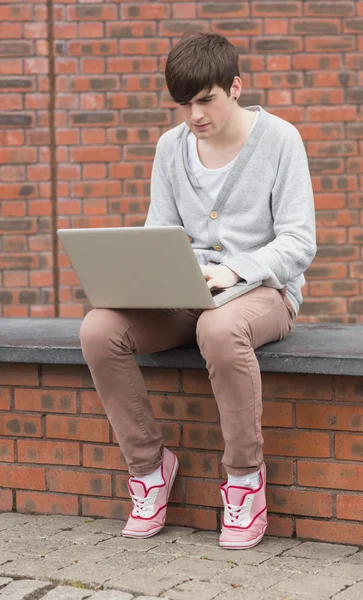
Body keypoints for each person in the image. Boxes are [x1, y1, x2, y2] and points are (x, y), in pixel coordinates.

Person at [80, 32, 316, 550]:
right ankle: (149, 468)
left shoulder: (280, 139)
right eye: (183, 104)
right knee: (99, 329)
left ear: (235, 86)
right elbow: (160, 230)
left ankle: (244, 481)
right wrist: (148, 277)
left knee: (219, 326)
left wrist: (236, 271)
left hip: (265, 292)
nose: (194, 116)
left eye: (205, 100)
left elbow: (299, 242)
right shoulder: (172, 147)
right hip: (188, 291)